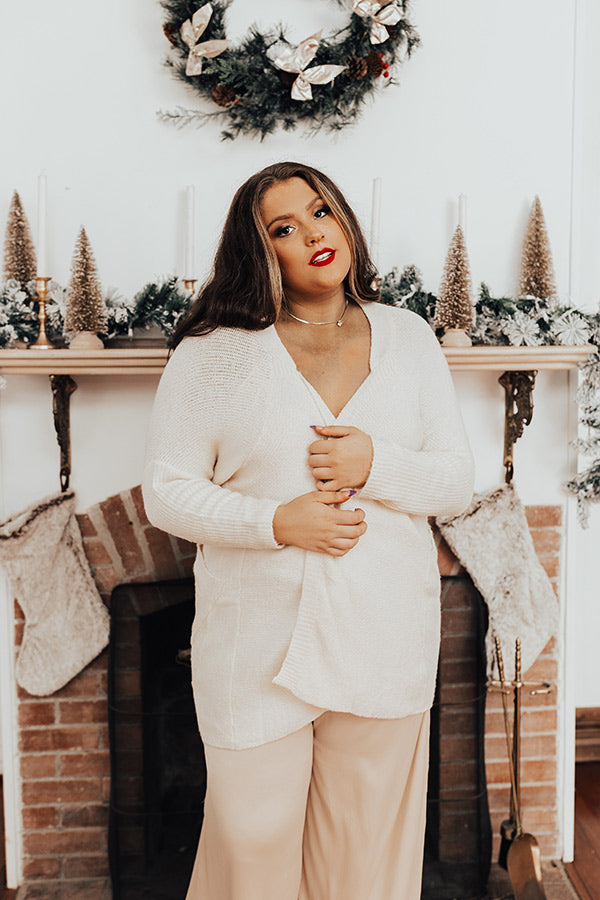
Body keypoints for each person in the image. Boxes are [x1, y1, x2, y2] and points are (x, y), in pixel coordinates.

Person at [142, 161, 475, 900]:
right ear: (258, 251)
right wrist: (275, 522)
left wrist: (375, 463)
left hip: (383, 638)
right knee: (251, 854)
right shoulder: (215, 352)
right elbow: (165, 493)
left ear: (344, 218)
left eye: (321, 212)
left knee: (366, 867)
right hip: (256, 649)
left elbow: (456, 482)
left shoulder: (410, 338)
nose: (313, 234)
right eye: (284, 228)